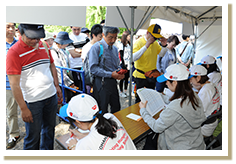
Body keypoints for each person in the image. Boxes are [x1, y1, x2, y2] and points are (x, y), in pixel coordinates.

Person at [6, 24, 62, 150]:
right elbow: (14, 84)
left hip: (51, 96)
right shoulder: (14, 52)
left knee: (49, 131)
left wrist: (56, 85)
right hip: (33, 102)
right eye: (31, 37)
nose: (36, 41)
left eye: (38, 37)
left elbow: (52, 65)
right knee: (33, 137)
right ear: (20, 32)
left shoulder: (44, 45)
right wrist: (23, 108)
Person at [139, 63, 206, 150]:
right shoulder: (192, 95)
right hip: (195, 144)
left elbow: (156, 127)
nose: (166, 83)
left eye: (167, 80)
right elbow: (173, 101)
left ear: (174, 82)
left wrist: (143, 110)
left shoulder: (175, 107)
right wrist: (156, 94)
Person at [59, 93, 137, 150]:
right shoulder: (110, 117)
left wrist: (74, 147)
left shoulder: (84, 145)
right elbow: (101, 135)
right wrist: (81, 135)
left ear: (78, 122)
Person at [88, 26, 124, 114]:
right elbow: (93, 68)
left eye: (115, 37)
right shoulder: (96, 48)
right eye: (110, 37)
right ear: (103, 35)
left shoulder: (115, 49)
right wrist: (111, 74)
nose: (113, 40)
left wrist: (119, 71)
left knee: (116, 107)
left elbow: (116, 65)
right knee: (102, 109)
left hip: (113, 82)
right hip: (101, 83)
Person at [132, 24, 167, 103]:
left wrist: (164, 46)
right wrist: (146, 45)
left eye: (156, 38)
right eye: (153, 37)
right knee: (140, 100)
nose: (154, 39)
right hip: (141, 77)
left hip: (152, 76)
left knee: (150, 99)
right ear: (147, 33)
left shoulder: (155, 43)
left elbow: (161, 54)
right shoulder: (139, 42)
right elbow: (133, 58)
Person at [189, 65, 221, 137]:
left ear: (198, 78)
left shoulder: (205, 91)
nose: (191, 82)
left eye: (191, 79)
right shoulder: (211, 84)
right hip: (211, 121)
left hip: (205, 128)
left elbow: (198, 112)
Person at [51, 31, 77, 102]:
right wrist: (69, 83)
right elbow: (58, 70)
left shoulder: (63, 50)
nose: (68, 44)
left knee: (69, 98)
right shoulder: (54, 52)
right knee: (63, 99)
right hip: (60, 80)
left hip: (67, 77)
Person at [6, 22, 19, 149]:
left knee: (31, 110)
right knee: (11, 112)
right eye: (7, 26)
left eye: (12, 27)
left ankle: (35, 133)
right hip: (7, 85)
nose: (11, 29)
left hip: (24, 84)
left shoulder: (21, 44)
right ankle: (14, 134)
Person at [81, 24, 103, 94]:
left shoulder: (102, 46)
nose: (101, 38)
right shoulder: (86, 47)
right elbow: (84, 64)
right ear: (93, 35)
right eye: (100, 36)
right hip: (91, 79)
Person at [67, 26, 90, 91]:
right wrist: (84, 51)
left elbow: (90, 49)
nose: (76, 31)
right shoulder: (69, 38)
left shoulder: (85, 36)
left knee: (87, 85)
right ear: (71, 28)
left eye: (78, 29)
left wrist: (78, 50)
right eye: (74, 29)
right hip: (75, 66)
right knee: (78, 85)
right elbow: (73, 54)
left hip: (85, 64)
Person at [118, 31, 131, 98]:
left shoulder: (129, 44)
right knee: (122, 78)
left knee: (126, 78)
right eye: (129, 36)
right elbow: (120, 55)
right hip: (123, 64)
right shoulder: (121, 45)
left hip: (128, 64)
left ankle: (125, 91)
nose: (130, 37)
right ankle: (121, 92)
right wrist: (123, 64)